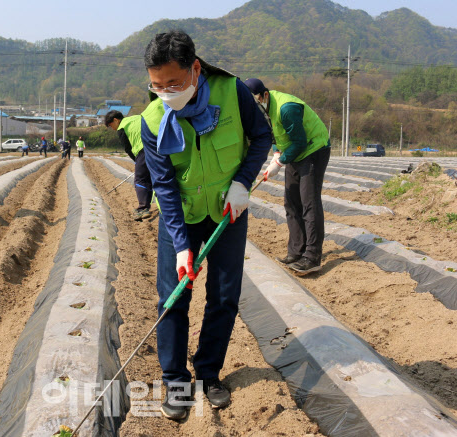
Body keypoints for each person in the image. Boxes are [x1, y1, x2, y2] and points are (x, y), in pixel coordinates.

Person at [140, 30, 272, 420]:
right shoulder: (152, 120)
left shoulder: (233, 92)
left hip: (228, 211)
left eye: (174, 83)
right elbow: (163, 184)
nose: (166, 93)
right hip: (181, 218)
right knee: (174, 297)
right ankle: (176, 381)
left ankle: (209, 374)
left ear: (196, 69)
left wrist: (242, 182)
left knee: (225, 295)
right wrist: (181, 244)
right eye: (157, 85)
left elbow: (262, 136)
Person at [243, 78, 331, 275]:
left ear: (264, 95)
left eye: (256, 101)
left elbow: (299, 142)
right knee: (291, 202)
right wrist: (276, 154)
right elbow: (275, 134)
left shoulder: (287, 108)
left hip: (313, 148)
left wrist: (280, 162)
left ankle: (312, 256)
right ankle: (296, 251)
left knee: (309, 202)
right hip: (294, 150)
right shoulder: (262, 110)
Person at [105, 110, 153, 221]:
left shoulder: (122, 127)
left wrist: (137, 162)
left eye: (111, 125)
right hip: (157, 146)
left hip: (143, 149)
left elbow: (128, 148)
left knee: (140, 180)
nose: (112, 128)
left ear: (116, 120)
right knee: (153, 178)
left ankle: (143, 208)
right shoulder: (137, 117)